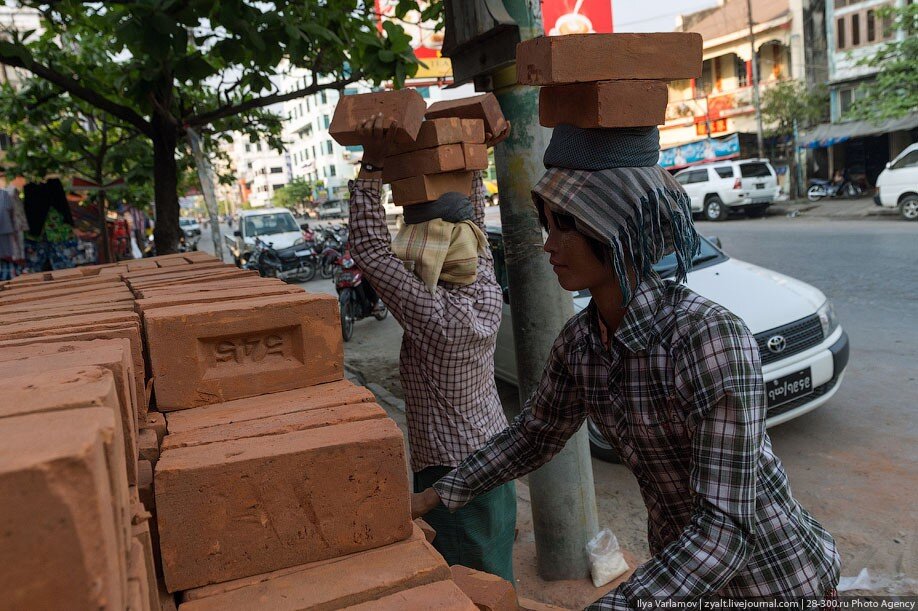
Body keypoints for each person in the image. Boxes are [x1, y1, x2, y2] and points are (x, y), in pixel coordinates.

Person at [412, 124, 841, 606]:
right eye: (548, 226)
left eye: (566, 226)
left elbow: (725, 529)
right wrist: (430, 498)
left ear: (613, 229)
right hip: (680, 578)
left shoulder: (708, 338)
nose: (550, 245)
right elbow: (534, 434)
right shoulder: (580, 344)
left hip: (774, 580)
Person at [348, 114, 516, 583]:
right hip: (494, 461)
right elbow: (472, 220)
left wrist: (372, 168)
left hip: (450, 478)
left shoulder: (433, 315)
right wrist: (473, 161)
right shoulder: (483, 282)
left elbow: (370, 249)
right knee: (497, 573)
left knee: (469, 583)